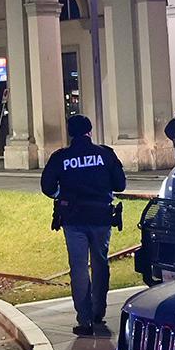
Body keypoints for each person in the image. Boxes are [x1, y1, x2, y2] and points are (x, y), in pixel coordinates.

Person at [41, 114, 126, 337]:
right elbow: (121, 184)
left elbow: (47, 187)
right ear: (90, 130)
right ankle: (99, 311)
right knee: (100, 262)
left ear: (70, 133)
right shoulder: (105, 154)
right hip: (100, 217)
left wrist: (62, 195)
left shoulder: (61, 157)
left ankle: (84, 320)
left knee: (78, 269)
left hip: (74, 219)